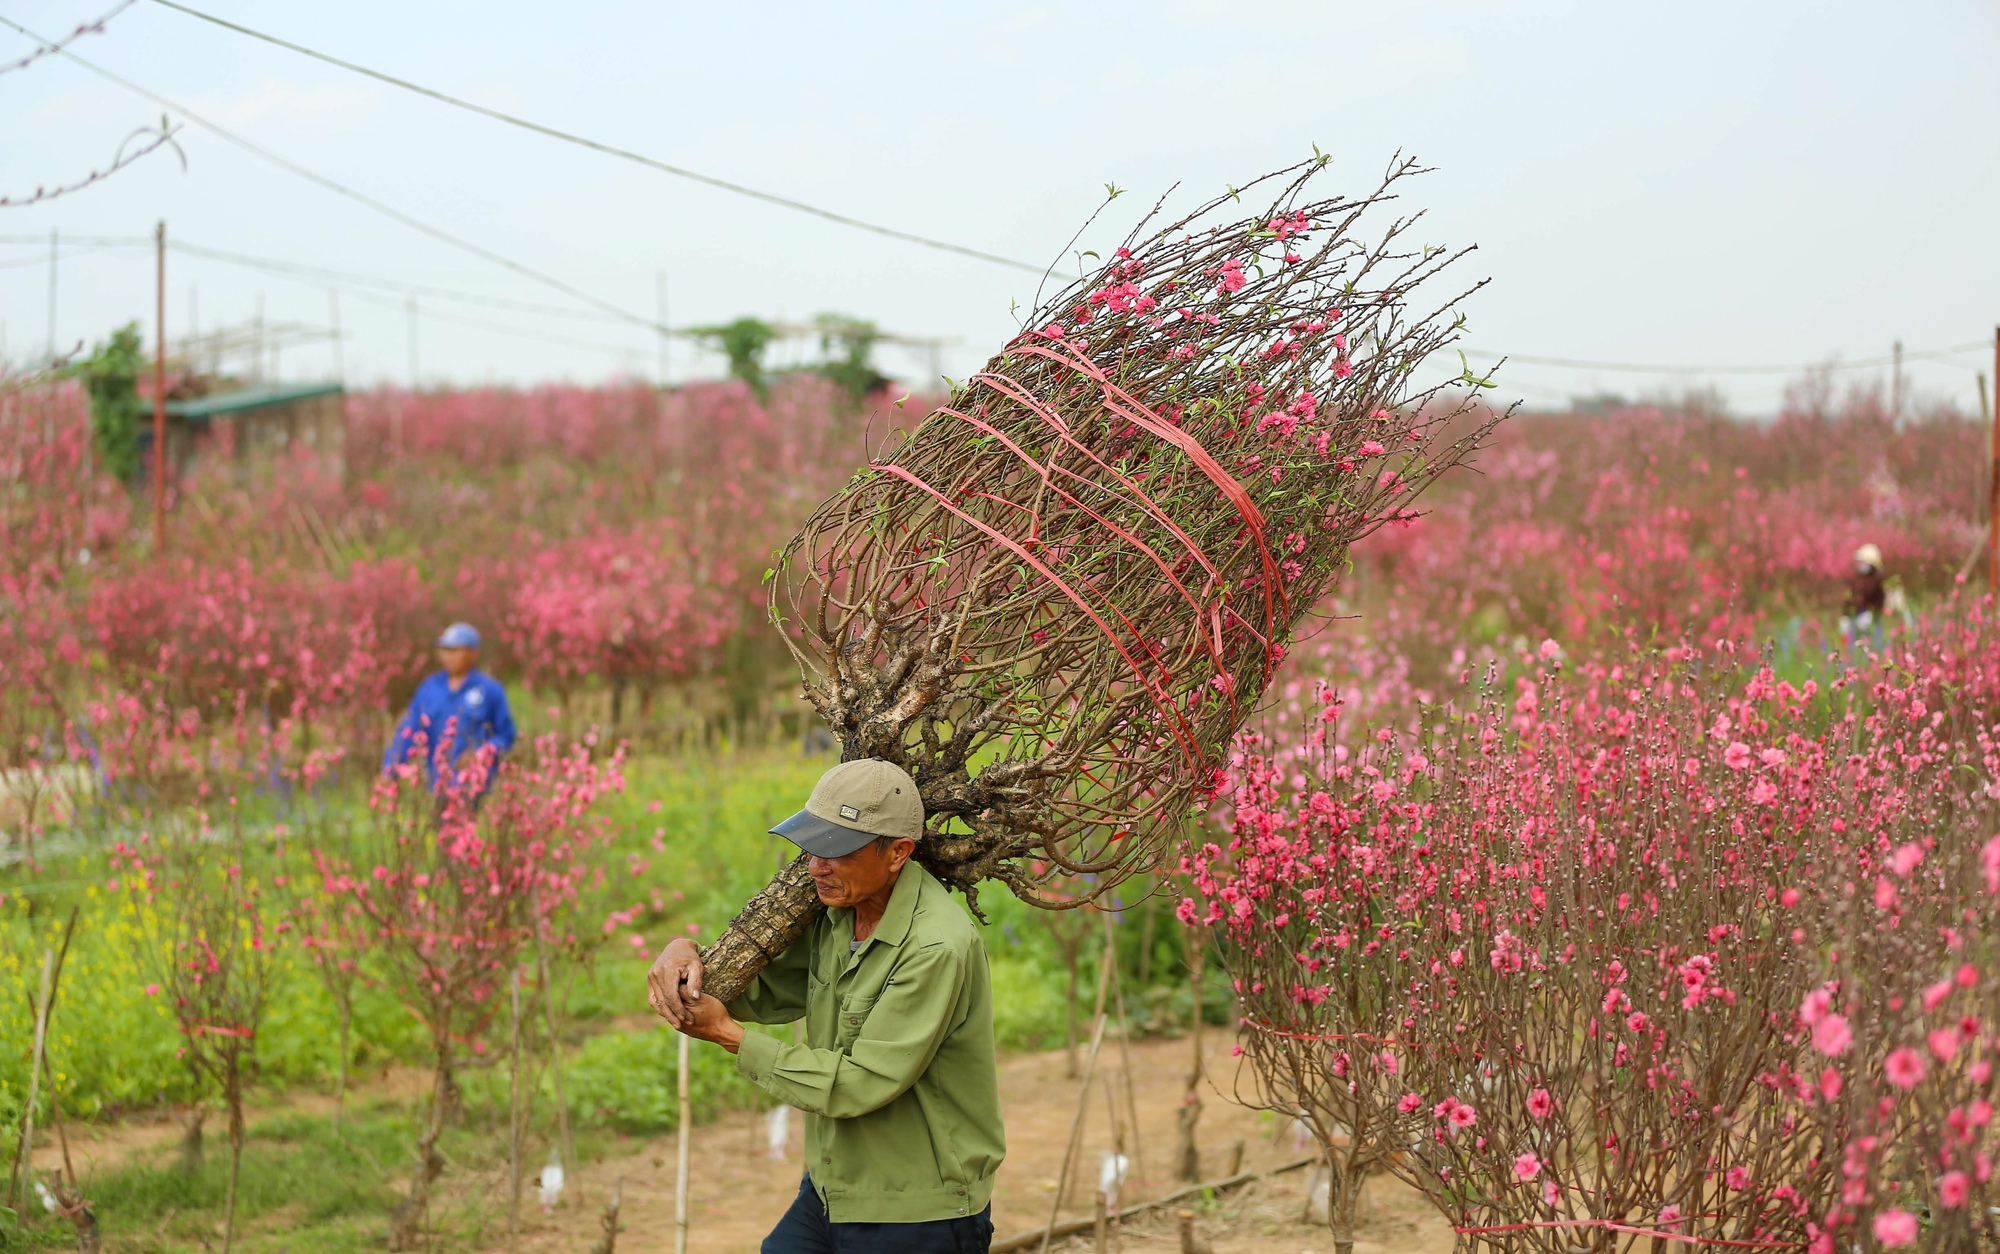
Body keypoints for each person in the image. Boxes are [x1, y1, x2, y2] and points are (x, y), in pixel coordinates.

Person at [647, 758, 1002, 1253]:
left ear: (898, 852)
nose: (816, 866)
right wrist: (686, 952)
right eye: (813, 847)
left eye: (837, 852)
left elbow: (862, 1081)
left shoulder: (934, 948)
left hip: (918, 1209)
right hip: (834, 1190)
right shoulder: (838, 916)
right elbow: (764, 992)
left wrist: (730, 1036)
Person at [383, 622, 517, 780]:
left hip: (477, 786)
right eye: (445, 650)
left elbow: (506, 736)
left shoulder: (490, 690)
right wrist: (390, 768)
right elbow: (410, 729)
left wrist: (480, 755)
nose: (448, 656)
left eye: (455, 651)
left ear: (473, 653)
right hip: (436, 785)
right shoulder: (429, 688)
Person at [1842, 543, 1887, 652]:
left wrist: (1871, 613)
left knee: (1873, 645)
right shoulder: (1857, 579)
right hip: (1855, 616)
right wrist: (1845, 615)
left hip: (1871, 618)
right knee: (1852, 645)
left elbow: (1879, 600)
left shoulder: (1877, 580)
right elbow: (1850, 598)